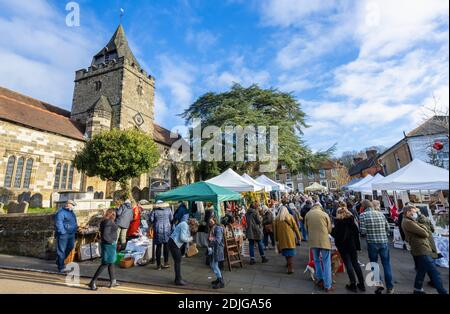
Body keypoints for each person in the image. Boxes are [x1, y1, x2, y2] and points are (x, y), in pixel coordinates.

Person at [401, 206, 448, 294]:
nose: (415, 214)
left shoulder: (410, 221)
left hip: (421, 248)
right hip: (422, 248)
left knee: (422, 270)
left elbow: (427, 227)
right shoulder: (408, 222)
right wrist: (423, 227)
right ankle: (442, 291)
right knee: (434, 272)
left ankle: (417, 289)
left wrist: (421, 225)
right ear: (408, 212)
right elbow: (425, 233)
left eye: (416, 212)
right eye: (413, 212)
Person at [359, 200, 394, 294]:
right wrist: (383, 234)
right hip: (383, 242)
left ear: (363, 207)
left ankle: (379, 284)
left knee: (374, 264)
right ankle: (390, 287)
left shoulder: (362, 215)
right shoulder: (380, 214)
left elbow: (362, 231)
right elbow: (388, 228)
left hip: (372, 243)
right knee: (386, 264)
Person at [331, 203, 365, 293]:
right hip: (352, 245)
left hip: (343, 246)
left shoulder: (339, 223)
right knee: (355, 263)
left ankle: (353, 284)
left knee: (348, 264)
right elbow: (356, 233)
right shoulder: (351, 222)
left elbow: (335, 235)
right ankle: (361, 284)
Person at [305, 204, 334, 292]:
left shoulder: (308, 214)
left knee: (316, 260)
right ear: (320, 208)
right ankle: (327, 285)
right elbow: (329, 230)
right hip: (324, 241)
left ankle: (320, 279)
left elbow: (306, 229)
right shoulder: (324, 214)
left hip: (313, 241)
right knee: (326, 263)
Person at [88, 208, 119, 290]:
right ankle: (92, 282)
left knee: (111, 262)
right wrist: (111, 242)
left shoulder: (106, 221)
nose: (115, 216)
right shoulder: (108, 222)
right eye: (114, 214)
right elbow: (105, 235)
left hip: (109, 245)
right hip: (109, 245)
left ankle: (113, 281)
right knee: (105, 263)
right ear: (111, 214)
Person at [168, 214, 198, 286]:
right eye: (192, 228)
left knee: (178, 261)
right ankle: (178, 280)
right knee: (177, 261)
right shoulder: (184, 225)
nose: (192, 230)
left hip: (175, 243)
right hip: (174, 243)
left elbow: (184, 236)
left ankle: (178, 278)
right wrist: (190, 239)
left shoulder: (185, 224)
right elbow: (182, 238)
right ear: (191, 225)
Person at [274, 206, 301, 274]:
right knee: (290, 253)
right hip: (290, 238)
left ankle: (288, 264)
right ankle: (290, 268)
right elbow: (295, 227)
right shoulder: (290, 217)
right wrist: (298, 236)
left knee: (286, 252)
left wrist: (276, 239)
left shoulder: (276, 219)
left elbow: (275, 231)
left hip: (282, 239)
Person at [54, 200, 78, 273]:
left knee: (70, 247)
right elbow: (58, 223)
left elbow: (74, 221)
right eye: (72, 205)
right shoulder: (61, 212)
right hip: (63, 235)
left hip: (71, 234)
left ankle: (59, 261)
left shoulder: (71, 213)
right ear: (68, 204)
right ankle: (61, 267)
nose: (73, 207)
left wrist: (75, 229)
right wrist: (63, 232)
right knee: (61, 250)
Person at [150, 200, 173, 270]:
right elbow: (171, 218)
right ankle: (166, 263)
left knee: (159, 247)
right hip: (166, 229)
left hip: (158, 230)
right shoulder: (168, 209)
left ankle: (158, 265)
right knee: (166, 246)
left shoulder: (155, 210)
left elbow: (151, 219)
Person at [208, 217, 225, 289]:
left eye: (211, 220)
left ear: (215, 220)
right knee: (213, 265)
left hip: (217, 249)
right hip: (214, 249)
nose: (210, 222)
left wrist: (211, 240)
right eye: (209, 221)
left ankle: (221, 282)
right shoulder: (213, 228)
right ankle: (219, 279)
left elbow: (218, 240)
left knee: (214, 265)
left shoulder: (218, 228)